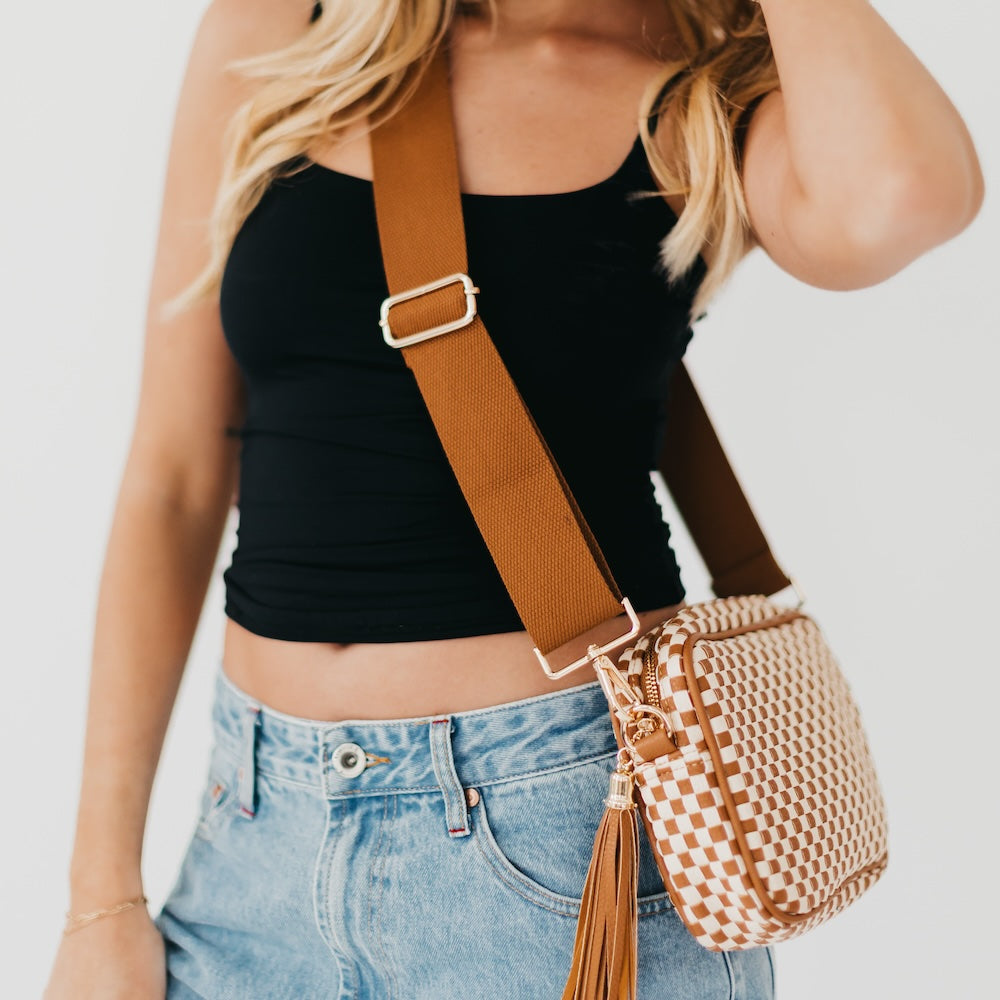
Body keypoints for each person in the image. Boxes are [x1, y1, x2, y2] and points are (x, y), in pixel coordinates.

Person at [44, 0, 982, 997]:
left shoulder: (707, 93)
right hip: (250, 848)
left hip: (571, 855)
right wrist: (101, 895)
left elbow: (897, 195)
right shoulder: (289, 24)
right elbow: (173, 480)